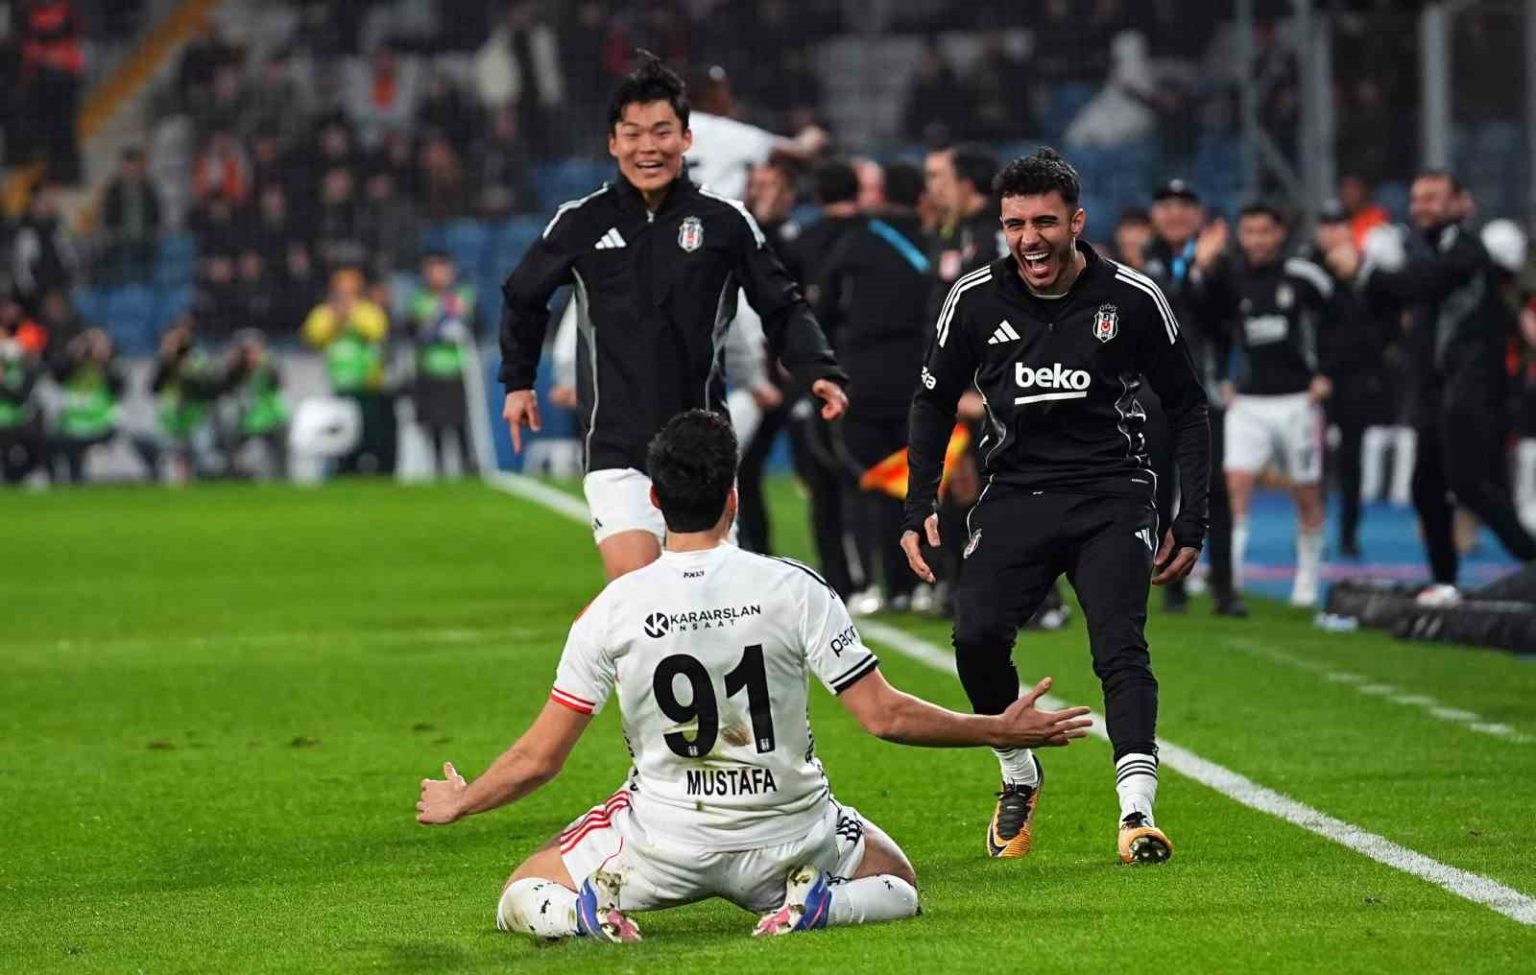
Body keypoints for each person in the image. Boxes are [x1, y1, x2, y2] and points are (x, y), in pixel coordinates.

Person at [416, 410, 1093, 943]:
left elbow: (542, 758)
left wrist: (463, 800)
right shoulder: (793, 587)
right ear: (734, 496)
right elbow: (883, 716)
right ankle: (820, 904)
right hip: (789, 832)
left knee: (523, 894)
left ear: (653, 498)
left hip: (663, 840)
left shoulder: (613, 607)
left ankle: (587, 915)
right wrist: (996, 728)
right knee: (898, 885)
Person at [901, 148, 1210, 864]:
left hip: (1112, 492)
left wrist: (1191, 515)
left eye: (1044, 222)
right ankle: (1018, 772)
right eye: (1015, 224)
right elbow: (932, 402)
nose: (1030, 239)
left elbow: (1189, 406)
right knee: (976, 638)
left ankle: (1136, 814)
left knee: (1119, 644)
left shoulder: (1132, 296)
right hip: (1016, 494)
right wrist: (918, 504)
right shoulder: (973, 298)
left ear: (1077, 222)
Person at [498, 53, 848, 582]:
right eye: (633, 134)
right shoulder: (581, 222)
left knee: (703, 599)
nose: (648, 147)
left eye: (662, 132)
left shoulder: (725, 222)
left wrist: (818, 368)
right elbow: (523, 295)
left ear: (686, 138)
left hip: (703, 443)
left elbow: (782, 303)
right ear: (613, 143)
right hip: (616, 445)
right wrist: (519, 381)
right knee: (638, 587)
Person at [1326, 170, 1536, 585]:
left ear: (1461, 204)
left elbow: (1421, 285)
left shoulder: (1467, 250)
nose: (1422, 206)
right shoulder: (1425, 249)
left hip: (1473, 391)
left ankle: (1528, 557)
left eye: (1433, 197)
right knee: (1427, 487)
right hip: (1436, 391)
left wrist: (1363, 271)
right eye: (1417, 198)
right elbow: (1391, 302)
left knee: (1471, 485)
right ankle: (1445, 582)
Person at [1194, 203, 1337, 607]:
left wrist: (1328, 373)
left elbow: (1342, 320)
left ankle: (1307, 580)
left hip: (1298, 400)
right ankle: (1231, 575)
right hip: (1247, 401)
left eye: (1264, 231)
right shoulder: (1229, 277)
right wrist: (1223, 379)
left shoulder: (1304, 276)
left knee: (1306, 491)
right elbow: (1209, 325)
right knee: (1234, 486)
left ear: (1279, 234)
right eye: (1249, 231)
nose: (1256, 239)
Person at [817, 161, 933, 613]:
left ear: (881, 195)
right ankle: (926, 583)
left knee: (866, 485)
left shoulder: (855, 243)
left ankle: (871, 585)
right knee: (921, 484)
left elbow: (823, 310)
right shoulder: (936, 242)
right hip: (922, 379)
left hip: (863, 379)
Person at [1145, 179, 1244, 616]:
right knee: (1159, 490)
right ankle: (1172, 586)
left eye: (1184, 206)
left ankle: (1224, 588)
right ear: (1155, 216)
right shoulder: (1143, 263)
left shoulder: (1221, 264)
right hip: (1152, 395)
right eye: (1166, 206)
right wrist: (1193, 269)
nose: (1175, 214)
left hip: (1202, 393)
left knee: (1211, 489)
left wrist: (1204, 270)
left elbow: (1228, 317)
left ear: (1199, 216)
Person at [1308, 200, 1391, 559]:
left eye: (1338, 224)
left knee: (1350, 459)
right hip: (1314, 378)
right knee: (1311, 460)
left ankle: (1348, 534)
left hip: (1354, 376)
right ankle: (1312, 531)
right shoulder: (1306, 268)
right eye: (1326, 225)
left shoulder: (1367, 271)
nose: (1331, 232)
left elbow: (1383, 323)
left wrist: (1355, 277)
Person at [683, 64, 827, 202]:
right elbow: (802, 150)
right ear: (715, 94)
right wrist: (813, 133)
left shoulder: (674, 127)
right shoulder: (730, 132)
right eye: (723, 89)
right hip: (717, 215)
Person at [303, 268, 395, 475]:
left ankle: (373, 470)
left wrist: (351, 315)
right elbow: (312, 336)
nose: (344, 295)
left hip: (367, 384)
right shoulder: (324, 313)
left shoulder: (367, 311)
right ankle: (343, 470)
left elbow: (378, 331)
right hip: (337, 384)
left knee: (369, 433)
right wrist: (336, 319)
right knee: (341, 435)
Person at [408, 252, 478, 477]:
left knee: (461, 424)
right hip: (430, 369)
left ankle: (468, 466)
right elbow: (411, 330)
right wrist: (436, 327)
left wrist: (465, 320)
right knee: (434, 424)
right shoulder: (419, 300)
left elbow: (479, 327)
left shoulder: (464, 297)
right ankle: (438, 468)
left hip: (459, 369)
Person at [49, 327, 125, 483]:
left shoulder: (111, 366)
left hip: (101, 426)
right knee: (67, 464)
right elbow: (57, 374)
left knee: (97, 466)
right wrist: (73, 354)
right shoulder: (72, 365)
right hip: (72, 425)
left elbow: (119, 389)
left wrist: (104, 360)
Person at [222, 329, 289, 480]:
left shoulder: (269, 363)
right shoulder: (237, 369)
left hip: (272, 416)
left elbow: (278, 383)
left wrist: (262, 365)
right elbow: (225, 387)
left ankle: (281, 479)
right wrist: (234, 366)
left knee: (279, 457)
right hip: (247, 418)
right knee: (235, 452)